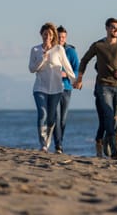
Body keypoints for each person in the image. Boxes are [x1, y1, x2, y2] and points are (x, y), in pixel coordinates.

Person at [74, 18, 117, 160]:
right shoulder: (98, 45)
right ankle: (114, 151)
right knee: (108, 115)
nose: (116, 30)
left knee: (114, 119)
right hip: (103, 86)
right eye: (114, 27)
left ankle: (108, 141)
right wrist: (80, 78)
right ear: (107, 28)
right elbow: (84, 60)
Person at [29, 22, 76, 152]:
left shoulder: (59, 49)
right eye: (45, 34)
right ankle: (43, 143)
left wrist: (74, 80)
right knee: (42, 114)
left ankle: (48, 140)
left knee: (51, 118)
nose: (47, 37)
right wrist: (42, 59)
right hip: (40, 88)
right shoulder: (35, 50)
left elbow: (67, 66)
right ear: (41, 34)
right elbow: (32, 69)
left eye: (49, 34)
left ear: (53, 36)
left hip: (56, 89)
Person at [52, 25, 79, 154]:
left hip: (67, 88)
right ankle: (58, 145)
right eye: (59, 37)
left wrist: (67, 74)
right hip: (54, 88)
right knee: (56, 117)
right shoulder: (52, 50)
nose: (61, 39)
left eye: (63, 37)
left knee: (63, 119)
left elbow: (77, 69)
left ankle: (60, 141)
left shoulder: (71, 51)